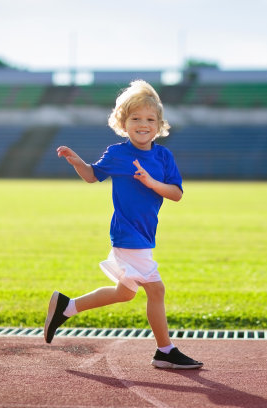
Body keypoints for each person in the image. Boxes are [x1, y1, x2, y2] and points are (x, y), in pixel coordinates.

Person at [44, 80, 202, 370]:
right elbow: (93, 175)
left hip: (144, 233)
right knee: (156, 291)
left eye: (150, 119)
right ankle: (165, 351)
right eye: (136, 119)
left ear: (159, 124)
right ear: (123, 123)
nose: (143, 124)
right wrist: (78, 162)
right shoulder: (118, 154)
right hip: (127, 235)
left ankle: (66, 307)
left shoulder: (163, 156)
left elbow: (176, 194)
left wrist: (152, 183)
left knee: (125, 293)